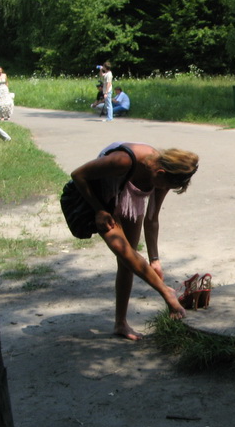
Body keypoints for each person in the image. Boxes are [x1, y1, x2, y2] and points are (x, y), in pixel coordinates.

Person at [69, 142, 199, 340]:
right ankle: (166, 293)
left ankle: (120, 323)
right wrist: (99, 210)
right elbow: (78, 175)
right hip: (103, 199)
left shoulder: (165, 176)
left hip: (130, 199)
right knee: (123, 251)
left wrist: (155, 259)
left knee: (128, 261)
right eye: (165, 186)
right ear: (160, 172)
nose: (164, 190)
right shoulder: (123, 160)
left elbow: (152, 219)